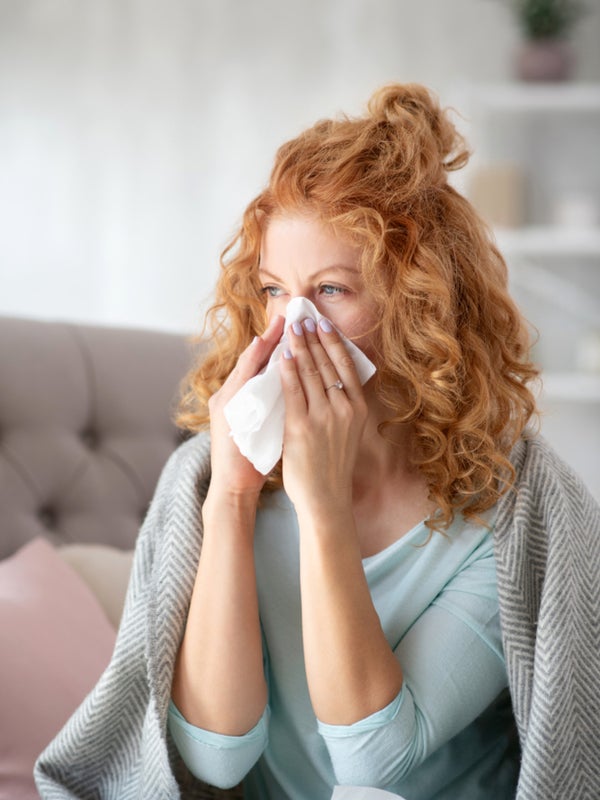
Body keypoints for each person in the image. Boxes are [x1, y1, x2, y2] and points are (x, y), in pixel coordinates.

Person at [35, 83, 600, 800]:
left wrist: (323, 504)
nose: (294, 325)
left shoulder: (512, 507)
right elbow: (216, 760)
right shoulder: (213, 478)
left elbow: (373, 764)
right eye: (274, 291)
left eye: (332, 290)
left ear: (419, 304)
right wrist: (234, 499)